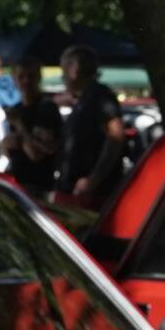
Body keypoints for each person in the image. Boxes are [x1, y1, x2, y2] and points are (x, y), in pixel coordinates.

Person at [54, 46, 127, 209]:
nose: (62, 77)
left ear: (74, 70)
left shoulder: (100, 96)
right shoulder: (84, 100)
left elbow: (116, 135)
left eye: (63, 71)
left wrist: (93, 179)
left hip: (91, 195)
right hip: (74, 191)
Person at [4, 62, 61, 199]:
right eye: (21, 76)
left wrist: (20, 126)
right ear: (14, 80)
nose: (26, 81)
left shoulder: (47, 109)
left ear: (39, 78)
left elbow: (35, 154)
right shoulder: (16, 109)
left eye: (31, 76)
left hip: (37, 186)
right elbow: (9, 150)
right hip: (16, 183)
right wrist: (6, 144)